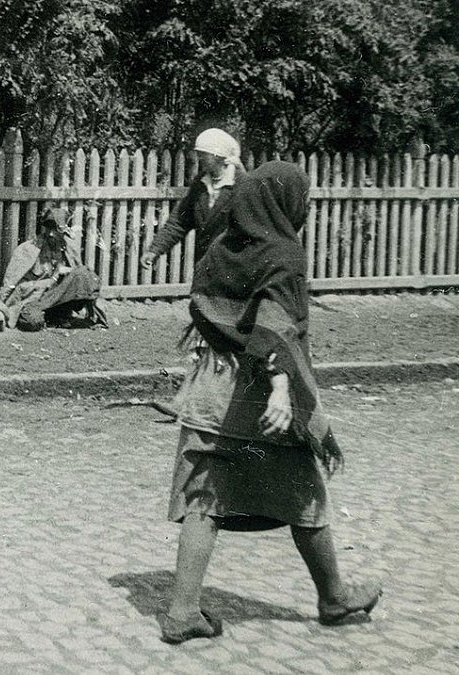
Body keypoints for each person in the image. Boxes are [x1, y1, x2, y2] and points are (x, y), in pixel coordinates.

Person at [160, 161, 381, 644]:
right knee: (305, 490)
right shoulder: (284, 253)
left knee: (205, 497)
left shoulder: (221, 246)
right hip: (259, 397)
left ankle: (182, 612)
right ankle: (335, 597)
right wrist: (282, 386)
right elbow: (274, 323)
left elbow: (202, 304)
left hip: (210, 388)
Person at [142, 128, 244, 270]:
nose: (200, 158)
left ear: (219, 156)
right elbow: (179, 221)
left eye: (204, 155)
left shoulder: (242, 185)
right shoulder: (201, 184)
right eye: (199, 154)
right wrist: (155, 250)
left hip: (235, 268)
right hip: (204, 265)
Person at [0, 206, 107, 331]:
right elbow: (15, 287)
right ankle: (52, 318)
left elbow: (84, 283)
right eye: (48, 228)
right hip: (33, 299)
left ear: (64, 231)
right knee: (33, 321)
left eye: (56, 230)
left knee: (83, 272)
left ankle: (91, 318)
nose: (51, 233)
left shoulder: (68, 250)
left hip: (57, 300)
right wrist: (55, 277)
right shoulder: (28, 250)